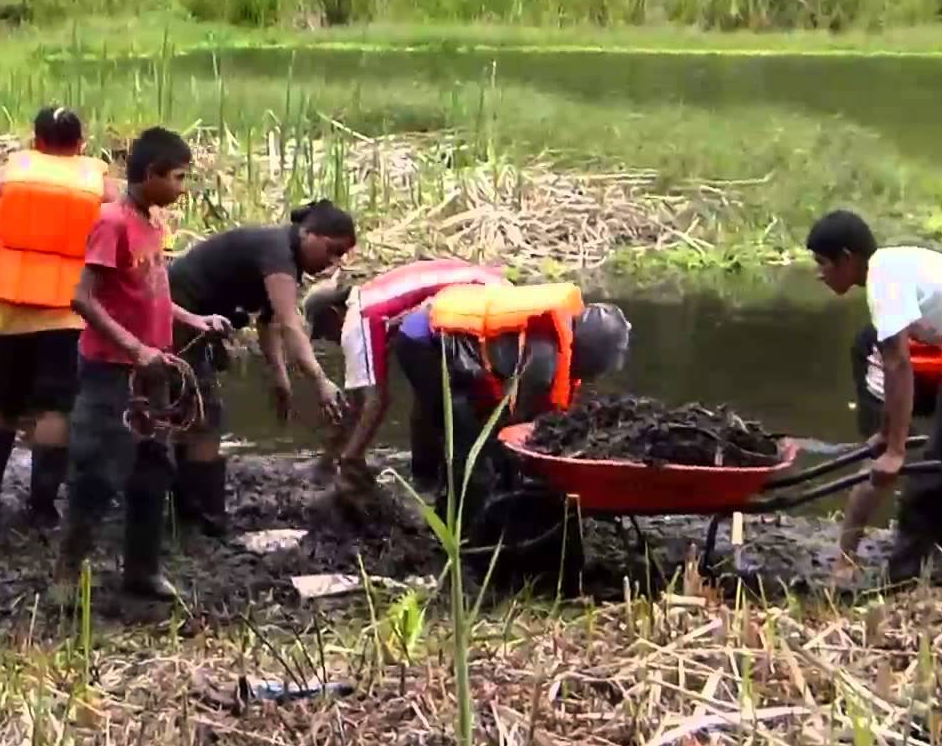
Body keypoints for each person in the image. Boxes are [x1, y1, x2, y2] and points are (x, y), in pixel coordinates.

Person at [58, 128, 232, 602]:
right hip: (112, 370)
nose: (182, 188)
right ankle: (67, 575)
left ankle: (142, 571)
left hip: (153, 372)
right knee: (96, 471)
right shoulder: (112, 222)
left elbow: (153, 294)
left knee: (153, 471)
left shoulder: (152, 225)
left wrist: (194, 320)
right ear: (151, 173)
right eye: (178, 177)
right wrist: (136, 349)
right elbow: (83, 299)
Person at [808, 208, 942, 582]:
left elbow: (899, 366)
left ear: (847, 258)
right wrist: (888, 434)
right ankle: (906, 572)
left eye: (823, 262)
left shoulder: (883, 283)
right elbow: (894, 372)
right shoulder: (887, 270)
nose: (819, 273)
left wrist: (895, 451)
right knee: (936, 467)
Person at [163, 201, 358, 535]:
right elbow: (290, 323)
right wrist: (320, 380)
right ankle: (202, 519)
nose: (333, 262)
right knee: (203, 417)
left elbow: (268, 322)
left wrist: (279, 377)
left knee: (190, 414)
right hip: (178, 314)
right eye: (332, 250)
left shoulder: (284, 257)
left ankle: (185, 511)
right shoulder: (277, 252)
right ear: (307, 234)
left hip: (195, 321)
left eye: (340, 256)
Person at [0, 106, 114, 528]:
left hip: (6, 308)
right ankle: (41, 508)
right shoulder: (99, 185)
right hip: (66, 312)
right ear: (81, 143)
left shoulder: (9, 177)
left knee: (2, 406)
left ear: (36, 141)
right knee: (54, 410)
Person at [398, 280, 630, 506]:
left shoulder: (561, 332)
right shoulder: (544, 359)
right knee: (465, 438)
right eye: (599, 370)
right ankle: (453, 509)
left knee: (453, 415)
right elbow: (517, 425)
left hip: (441, 333)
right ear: (591, 354)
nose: (595, 377)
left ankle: (426, 479)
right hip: (424, 339)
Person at [303, 258, 507, 488]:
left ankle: (451, 478)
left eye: (324, 333)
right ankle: (431, 475)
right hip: (490, 286)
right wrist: (332, 454)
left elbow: (375, 401)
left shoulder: (357, 321)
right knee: (426, 395)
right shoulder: (371, 296)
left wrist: (350, 458)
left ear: (333, 315)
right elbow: (358, 403)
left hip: (480, 300)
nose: (330, 341)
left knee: (445, 406)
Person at [835, 321, 942, 573]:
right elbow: (896, 365)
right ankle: (845, 557)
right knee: (882, 459)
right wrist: (893, 444)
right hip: (892, 356)